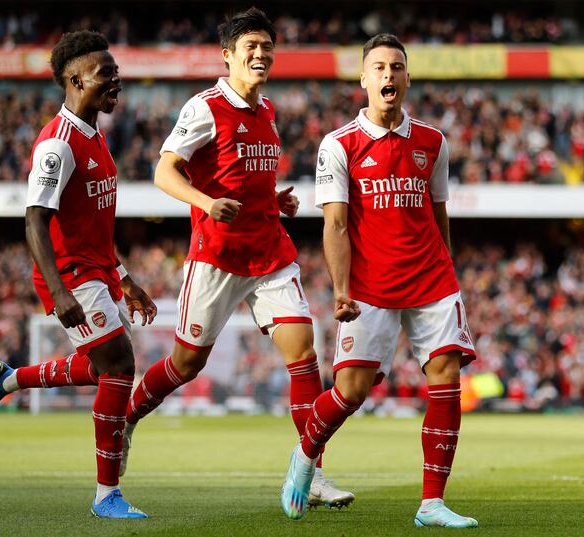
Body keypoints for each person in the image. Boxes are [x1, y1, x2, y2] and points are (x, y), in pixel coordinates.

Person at [121, 7, 353, 509]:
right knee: (186, 364)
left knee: (303, 353)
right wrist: (205, 203)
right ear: (227, 56)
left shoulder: (267, 111)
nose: (260, 54)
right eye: (250, 46)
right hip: (217, 258)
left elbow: (249, 180)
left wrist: (276, 201)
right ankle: (128, 417)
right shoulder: (204, 107)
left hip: (269, 255)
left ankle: (311, 471)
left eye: (267, 46)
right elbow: (164, 173)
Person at [280, 33, 479, 528]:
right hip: (370, 285)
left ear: (407, 78)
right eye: (380, 68)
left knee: (446, 378)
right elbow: (336, 224)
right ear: (364, 79)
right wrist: (342, 289)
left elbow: (440, 213)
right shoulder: (339, 144)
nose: (389, 75)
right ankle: (305, 456)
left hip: (432, 279)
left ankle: (432, 502)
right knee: (350, 390)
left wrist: (448, 270)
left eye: (397, 67)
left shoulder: (433, 141)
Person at [0, 30, 157, 519]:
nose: (116, 81)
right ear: (75, 80)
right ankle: (106, 494)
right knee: (119, 365)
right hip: (70, 275)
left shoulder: (96, 136)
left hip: (97, 269)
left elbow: (92, 223)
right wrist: (58, 290)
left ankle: (8, 380)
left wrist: (124, 277)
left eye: (116, 72)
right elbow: (35, 218)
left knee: (102, 366)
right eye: (106, 73)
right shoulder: (59, 144)